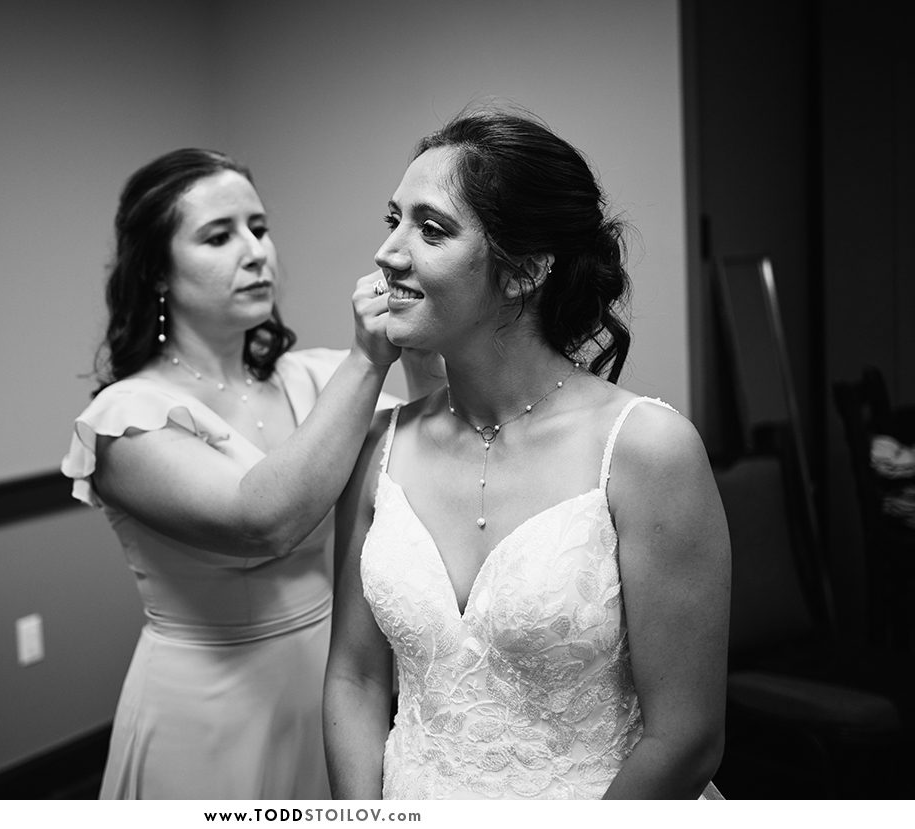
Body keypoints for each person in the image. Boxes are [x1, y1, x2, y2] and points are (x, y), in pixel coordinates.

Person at [323, 108, 731, 799]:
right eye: (393, 220)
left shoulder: (646, 450)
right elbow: (355, 678)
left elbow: (686, 739)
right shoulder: (377, 449)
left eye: (431, 229)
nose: (389, 253)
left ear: (525, 271)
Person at [61, 148, 438, 799]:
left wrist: (422, 331)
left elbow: (428, 453)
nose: (256, 251)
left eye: (258, 228)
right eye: (219, 236)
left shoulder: (318, 378)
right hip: (208, 713)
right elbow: (262, 522)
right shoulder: (124, 420)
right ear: (156, 271)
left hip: (334, 690)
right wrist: (368, 359)